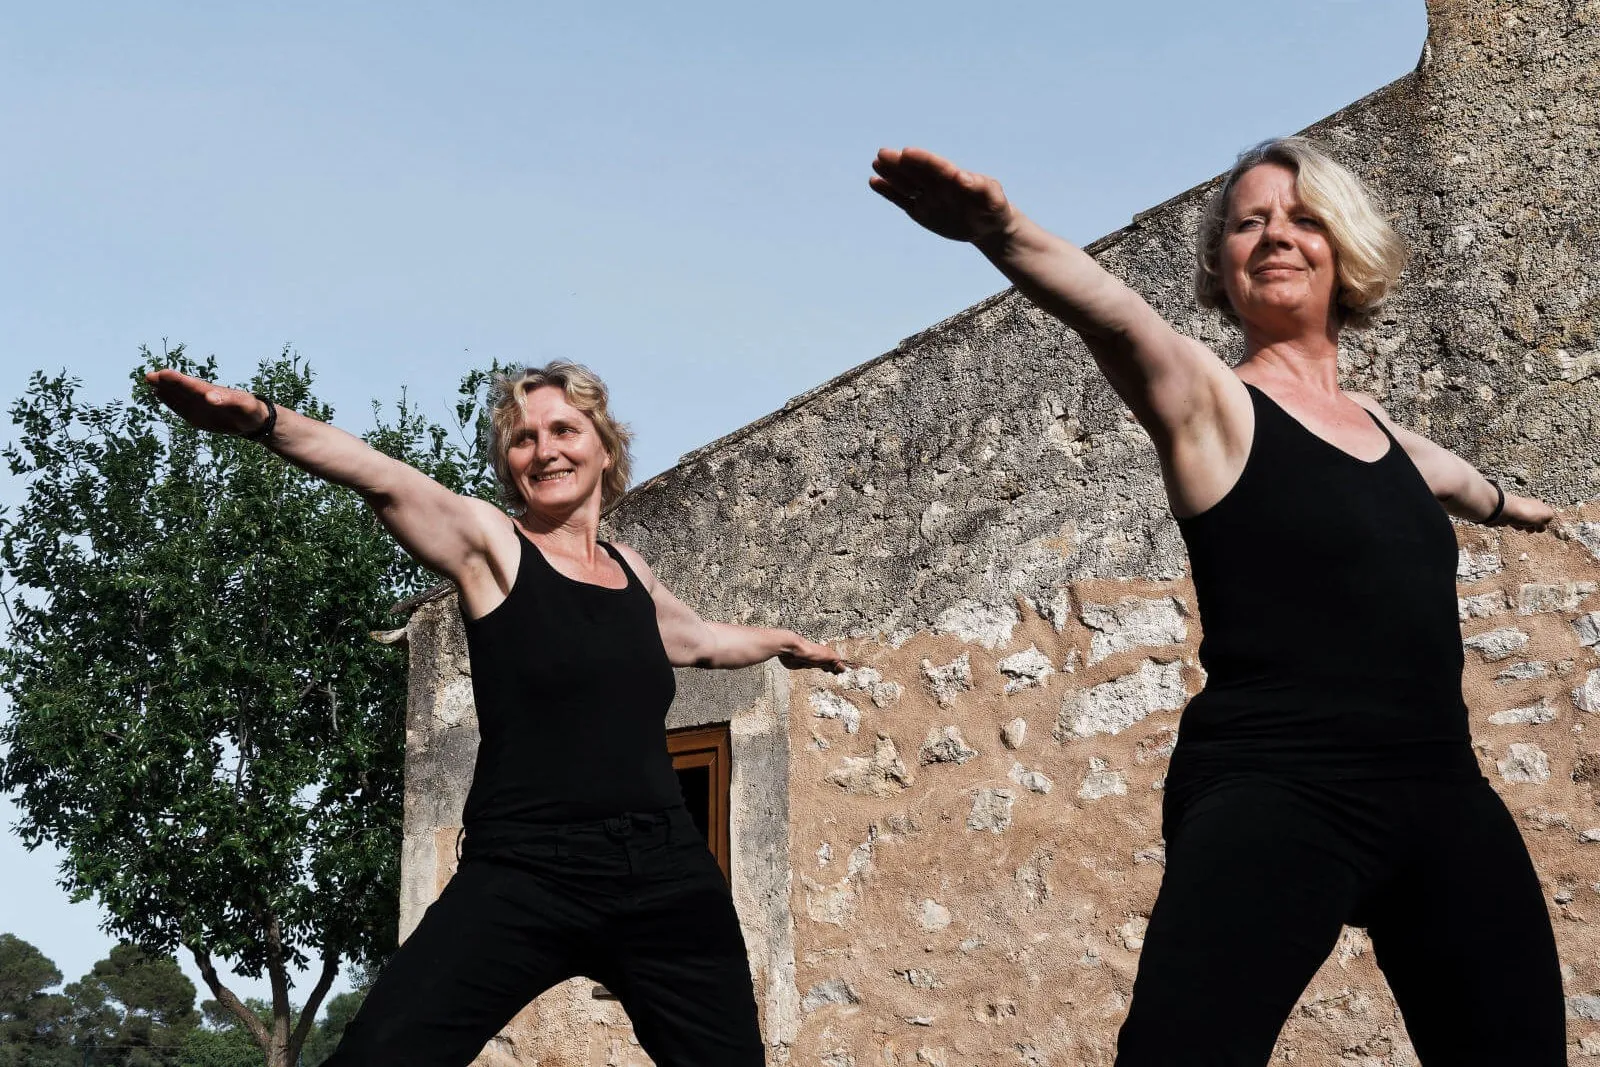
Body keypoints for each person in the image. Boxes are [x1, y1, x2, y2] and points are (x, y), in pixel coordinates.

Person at [870, 138, 1564, 1064]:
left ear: (1344, 249)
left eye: (1303, 216)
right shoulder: (1214, 403)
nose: (1276, 233)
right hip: (1277, 784)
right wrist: (1002, 232)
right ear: (1219, 264)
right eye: (1249, 222)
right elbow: (1119, 320)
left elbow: (1462, 483)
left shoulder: (1392, 436)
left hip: (1440, 788)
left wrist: (1517, 507)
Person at [147, 360, 847, 1067]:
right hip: (527, 866)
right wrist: (262, 420)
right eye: (523, 438)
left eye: (564, 429)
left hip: (664, 866)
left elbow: (697, 638)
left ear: (605, 446)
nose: (545, 450)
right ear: (510, 465)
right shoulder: (494, 547)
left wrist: (780, 643)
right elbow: (381, 475)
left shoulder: (630, 569)